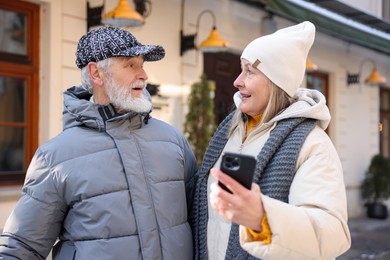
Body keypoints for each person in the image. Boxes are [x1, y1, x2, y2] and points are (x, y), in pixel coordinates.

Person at [0, 26, 197, 260]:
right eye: (130, 64)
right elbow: (22, 246)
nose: (143, 75)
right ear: (96, 73)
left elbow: (199, 221)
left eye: (142, 64)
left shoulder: (173, 140)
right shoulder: (55, 156)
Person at [190, 21, 351, 259]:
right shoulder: (230, 130)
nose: (237, 81)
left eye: (250, 71)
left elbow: (333, 234)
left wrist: (262, 218)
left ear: (277, 81)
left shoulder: (311, 144)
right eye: (240, 69)